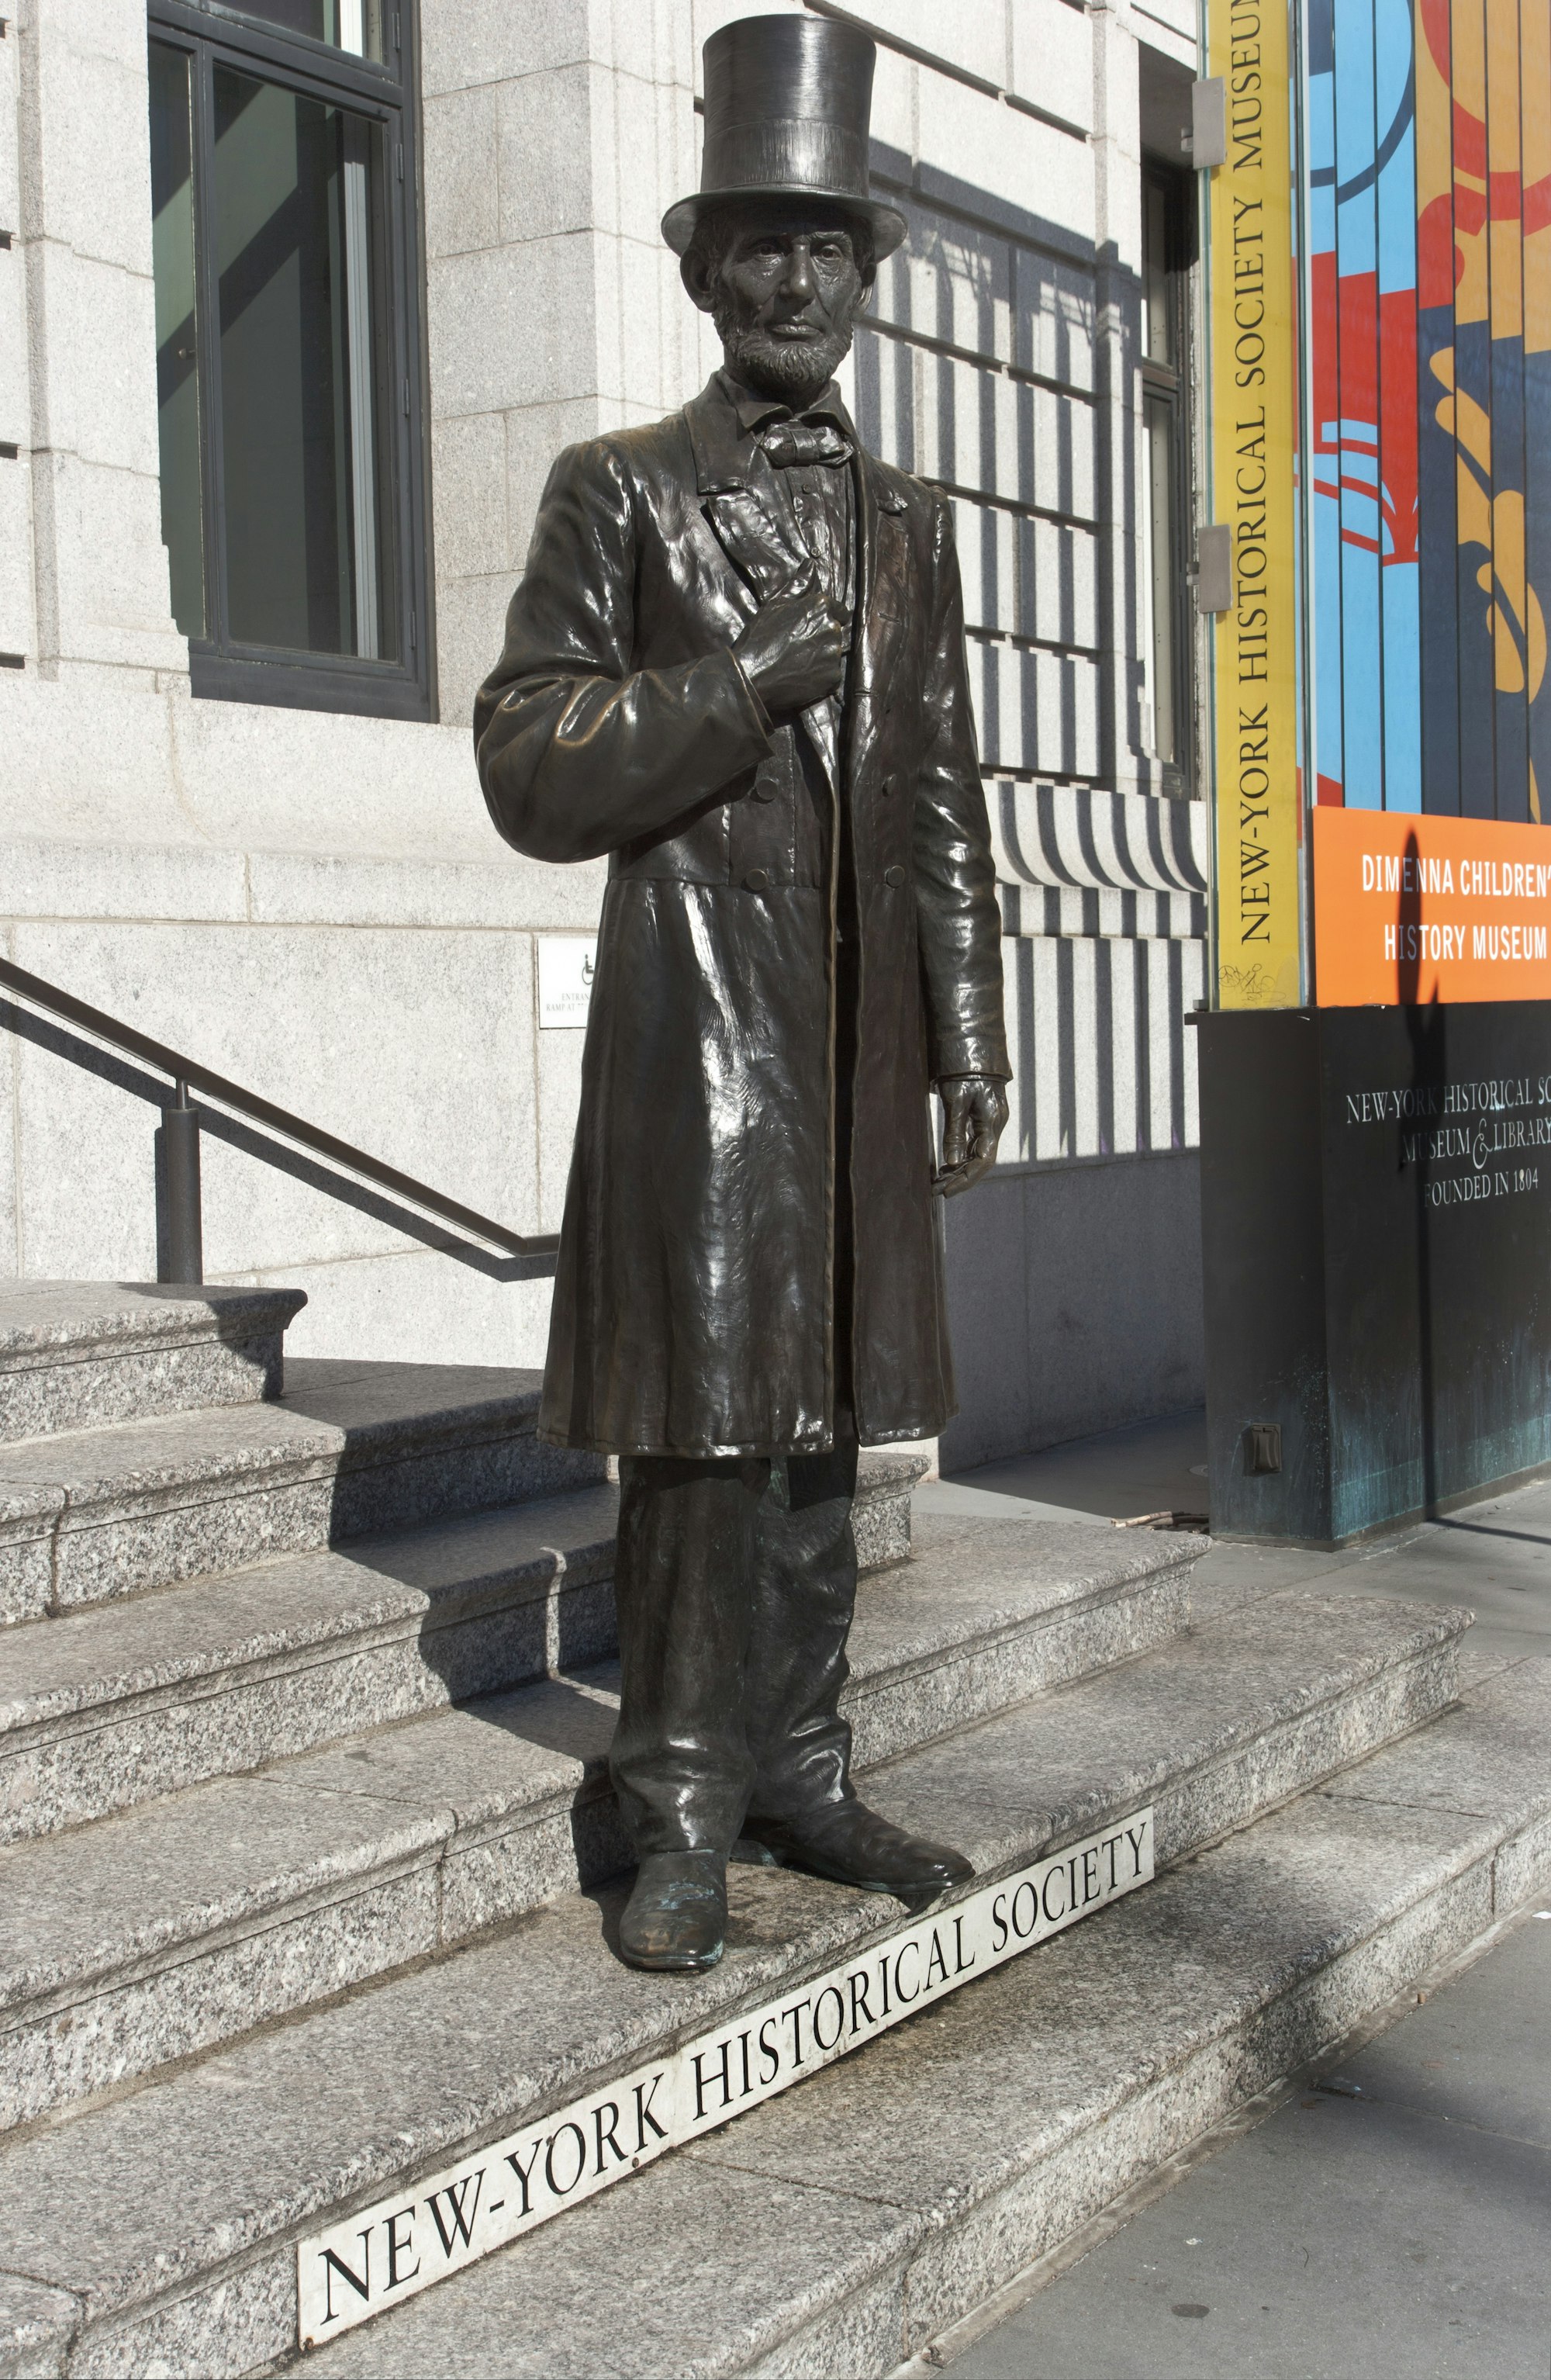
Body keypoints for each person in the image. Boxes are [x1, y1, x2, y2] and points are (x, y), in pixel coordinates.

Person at [475, 12, 1008, 1973]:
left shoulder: (908, 524)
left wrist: (970, 1023)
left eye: (830, 248)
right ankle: (675, 1794)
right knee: (704, 1430)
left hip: (862, 1031)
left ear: (864, 280)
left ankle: (799, 1761)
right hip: (699, 1018)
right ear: (705, 272)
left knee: (826, 1424)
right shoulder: (615, 488)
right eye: (762, 246)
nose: (798, 282)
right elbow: (526, 755)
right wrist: (742, 687)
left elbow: (941, 787)